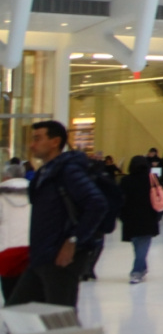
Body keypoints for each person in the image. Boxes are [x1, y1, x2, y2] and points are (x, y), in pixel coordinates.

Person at [7, 121, 108, 309]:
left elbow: (97, 203)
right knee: (16, 312)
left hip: (60, 260)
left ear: (55, 142)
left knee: (61, 320)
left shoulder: (68, 170)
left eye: (37, 139)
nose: (32, 145)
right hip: (40, 256)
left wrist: (73, 241)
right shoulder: (45, 172)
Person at [120, 155, 163, 284]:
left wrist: (120, 215)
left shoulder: (125, 180)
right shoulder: (151, 179)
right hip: (148, 217)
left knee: (137, 246)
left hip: (130, 218)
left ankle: (137, 271)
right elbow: (160, 196)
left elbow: (120, 199)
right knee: (142, 246)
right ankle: (140, 269)